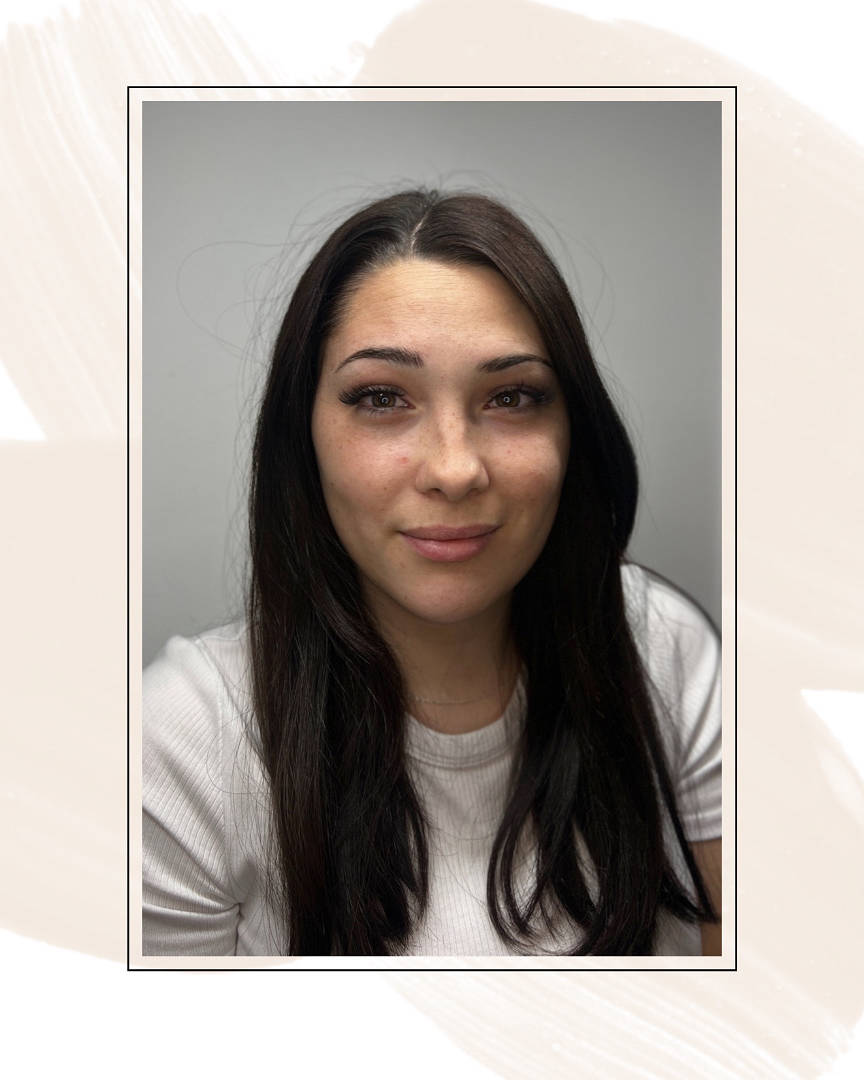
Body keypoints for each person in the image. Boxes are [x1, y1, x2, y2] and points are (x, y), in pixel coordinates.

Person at [143, 189, 721, 957]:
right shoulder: (180, 741)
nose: (454, 469)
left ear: (572, 430)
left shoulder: (666, 648)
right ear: (301, 436)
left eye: (512, 396)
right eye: (382, 398)